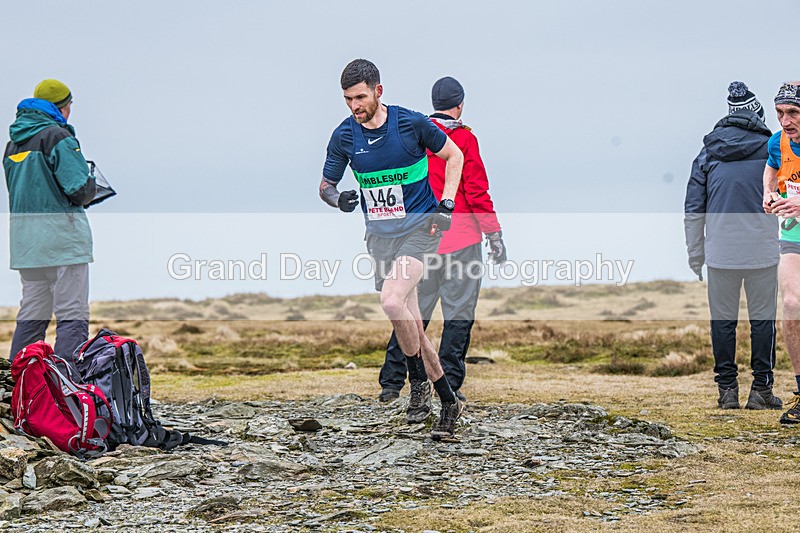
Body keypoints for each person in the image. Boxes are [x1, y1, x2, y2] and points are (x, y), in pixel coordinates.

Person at [319, 60, 466, 439]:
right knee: (411, 320)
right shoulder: (344, 136)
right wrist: (339, 199)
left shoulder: (410, 124)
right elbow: (325, 186)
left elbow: (455, 156)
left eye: (360, 97)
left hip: (420, 229)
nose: (355, 105)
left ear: (378, 91)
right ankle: (448, 400)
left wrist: (447, 204)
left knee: (391, 299)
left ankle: (417, 385)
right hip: (380, 238)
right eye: (348, 99)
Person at [378, 76, 506, 422]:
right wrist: (494, 235)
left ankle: (392, 382)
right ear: (460, 104)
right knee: (458, 315)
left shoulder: (417, 137)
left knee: (411, 312)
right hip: (461, 241)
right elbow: (476, 190)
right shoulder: (463, 140)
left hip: (421, 241)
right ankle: (449, 384)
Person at [685, 81, 779, 410]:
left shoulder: (708, 153)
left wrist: (695, 255)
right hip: (762, 251)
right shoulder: (773, 150)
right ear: (757, 115)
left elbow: (693, 209)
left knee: (722, 322)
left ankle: (727, 391)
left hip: (720, 253)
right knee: (763, 321)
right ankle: (761, 390)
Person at [3, 79, 96, 361]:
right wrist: (91, 183)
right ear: (62, 106)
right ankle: (67, 379)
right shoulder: (58, 137)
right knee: (71, 314)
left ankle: (19, 379)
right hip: (62, 241)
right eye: (69, 105)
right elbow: (79, 189)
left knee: (32, 314)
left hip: (26, 244)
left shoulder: (13, 144)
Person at [763, 81, 800, 423]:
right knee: (791, 304)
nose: (785, 121)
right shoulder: (778, 142)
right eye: (779, 112)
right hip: (794, 232)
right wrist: (769, 191)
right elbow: (772, 166)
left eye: (793, 112)